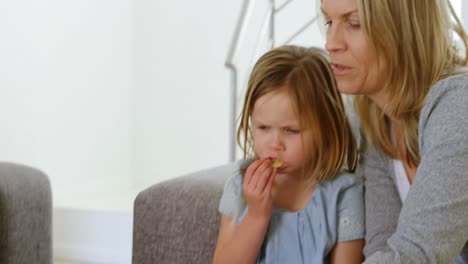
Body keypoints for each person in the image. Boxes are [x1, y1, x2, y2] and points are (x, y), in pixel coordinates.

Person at [321, 0, 468, 263]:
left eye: (354, 24)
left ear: (402, 28)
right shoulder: (377, 119)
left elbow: (417, 255)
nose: (331, 43)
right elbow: (382, 247)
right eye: (329, 22)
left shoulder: (459, 106)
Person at [212, 45, 364, 264]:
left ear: (326, 128)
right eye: (263, 128)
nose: (274, 144)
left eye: (291, 131)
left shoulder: (343, 194)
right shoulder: (239, 186)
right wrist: (256, 216)